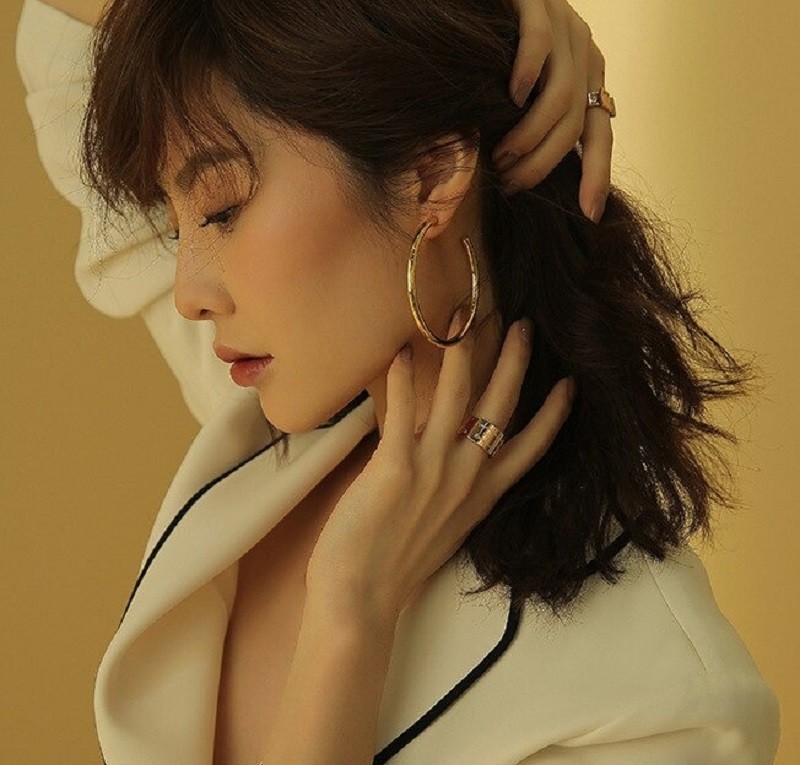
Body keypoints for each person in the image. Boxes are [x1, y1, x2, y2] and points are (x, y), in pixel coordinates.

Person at [14, 0, 780, 763]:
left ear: (431, 172)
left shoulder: (659, 714)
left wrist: (351, 614)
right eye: (172, 220)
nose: (187, 292)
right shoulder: (287, 419)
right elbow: (62, 29)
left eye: (220, 209)